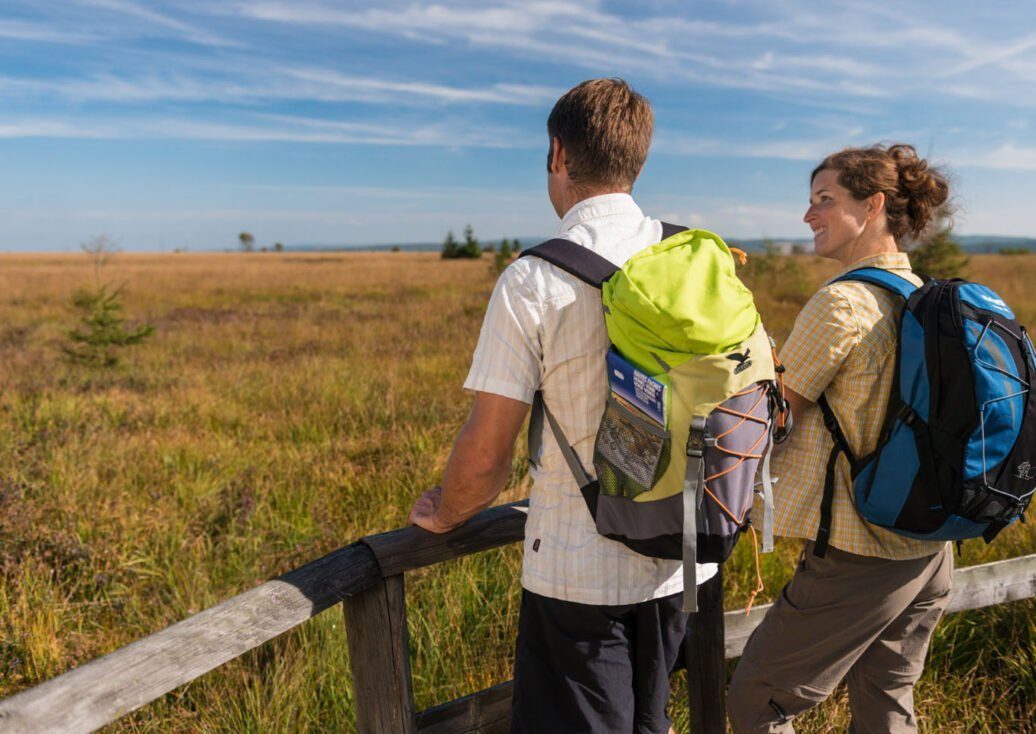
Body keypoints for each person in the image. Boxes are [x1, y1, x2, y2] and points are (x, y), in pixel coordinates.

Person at [407, 78, 716, 734]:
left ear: (557, 154)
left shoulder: (535, 278)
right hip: (682, 554)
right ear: (638, 158)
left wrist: (447, 508)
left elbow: (488, 451)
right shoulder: (695, 258)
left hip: (578, 571)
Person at [727, 144, 954, 733]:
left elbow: (770, 419)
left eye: (825, 200)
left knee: (757, 698)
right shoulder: (922, 295)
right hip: (931, 545)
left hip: (862, 552)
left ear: (874, 205)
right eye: (810, 201)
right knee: (886, 705)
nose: (809, 215)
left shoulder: (843, 302)